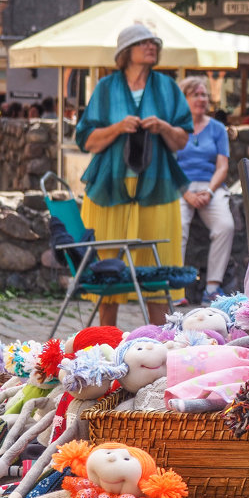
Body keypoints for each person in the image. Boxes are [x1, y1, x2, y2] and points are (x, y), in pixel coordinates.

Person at [75, 23, 192, 326]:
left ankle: (159, 346)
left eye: (154, 42)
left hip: (158, 187)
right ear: (126, 52)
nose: (151, 46)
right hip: (109, 187)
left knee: (159, 268)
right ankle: (106, 342)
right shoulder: (106, 87)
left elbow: (181, 140)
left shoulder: (168, 88)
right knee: (107, 267)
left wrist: (164, 127)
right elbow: (86, 140)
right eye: (143, 43)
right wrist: (117, 128)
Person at [176, 76, 235, 303]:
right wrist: (186, 193)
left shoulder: (218, 128)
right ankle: (176, 290)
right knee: (178, 225)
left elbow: (222, 167)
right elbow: (169, 167)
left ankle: (212, 288)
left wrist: (209, 191)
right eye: (196, 94)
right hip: (181, 187)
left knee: (225, 225)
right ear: (184, 99)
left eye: (204, 94)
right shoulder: (174, 128)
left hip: (211, 186)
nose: (202, 99)